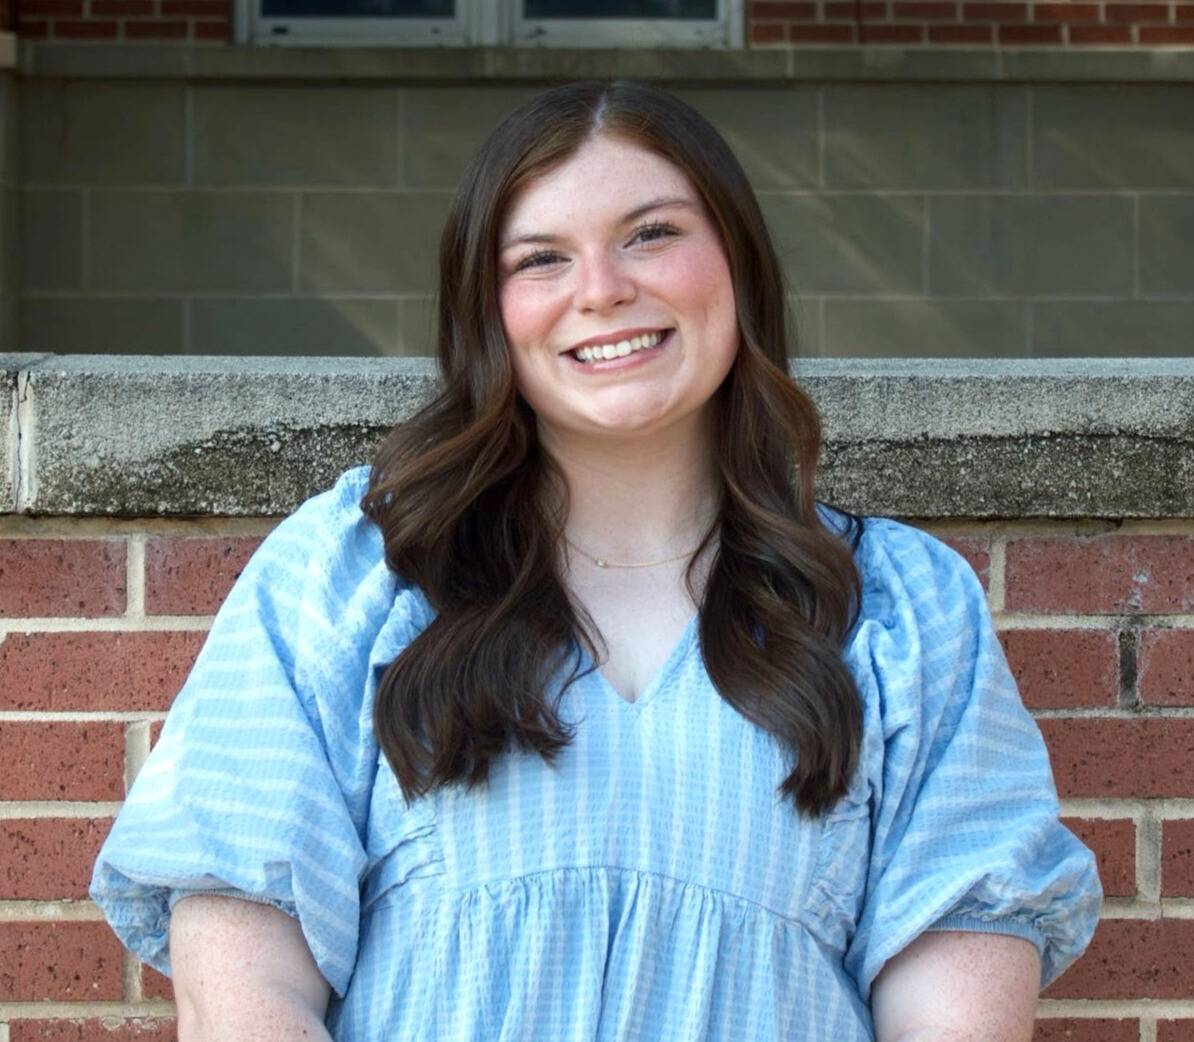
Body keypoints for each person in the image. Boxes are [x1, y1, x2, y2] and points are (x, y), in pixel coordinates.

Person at [91, 79, 1101, 1041]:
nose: (604, 291)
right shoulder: (355, 573)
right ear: (488, 309)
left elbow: (957, 1008)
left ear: (739, 265)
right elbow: (243, 990)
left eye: (652, 234)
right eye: (541, 259)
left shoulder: (899, 607)